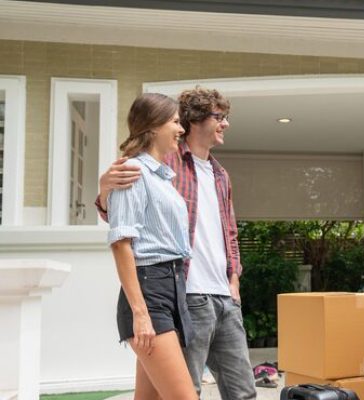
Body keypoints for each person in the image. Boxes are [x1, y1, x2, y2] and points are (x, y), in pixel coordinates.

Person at [97, 87, 257, 399]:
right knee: (186, 393)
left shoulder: (209, 174)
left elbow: (230, 231)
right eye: (219, 117)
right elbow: (121, 234)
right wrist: (105, 190)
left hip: (196, 293)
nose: (225, 124)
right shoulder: (157, 165)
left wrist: (233, 277)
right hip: (176, 291)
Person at [107, 93, 197, 399]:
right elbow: (121, 244)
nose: (181, 129)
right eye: (175, 121)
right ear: (154, 126)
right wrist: (140, 314)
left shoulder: (161, 177)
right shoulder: (132, 171)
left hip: (171, 288)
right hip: (150, 292)